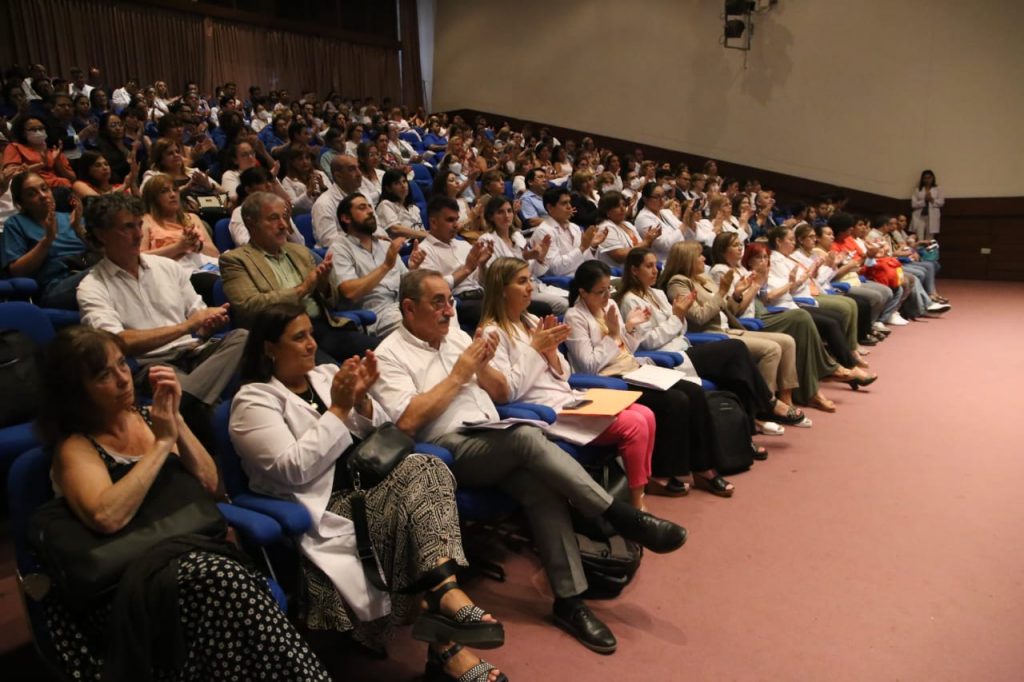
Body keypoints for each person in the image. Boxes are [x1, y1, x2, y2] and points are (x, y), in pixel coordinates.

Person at [371, 268, 686, 654]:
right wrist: (459, 374)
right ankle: (618, 516)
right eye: (438, 303)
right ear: (408, 307)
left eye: (450, 301)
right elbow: (407, 421)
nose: (449, 311)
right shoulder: (389, 354)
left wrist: (484, 367)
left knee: (540, 486)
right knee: (526, 437)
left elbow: (501, 392)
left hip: (491, 434)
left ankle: (570, 601)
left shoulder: (456, 338)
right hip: (447, 450)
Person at [229, 303, 507, 682]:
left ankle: (444, 593)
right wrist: (339, 409)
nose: (312, 344)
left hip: (369, 486)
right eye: (299, 337)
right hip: (326, 509)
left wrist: (361, 403)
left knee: (427, 466)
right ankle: (448, 633)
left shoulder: (326, 375)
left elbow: (381, 430)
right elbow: (292, 470)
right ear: (269, 348)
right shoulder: (253, 401)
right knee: (415, 510)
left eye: (311, 333)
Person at [36, 325, 329, 681]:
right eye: (103, 375)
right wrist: (162, 445)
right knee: (225, 583)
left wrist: (176, 420)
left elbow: (212, 485)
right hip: (130, 582)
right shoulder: (76, 448)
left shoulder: (150, 418)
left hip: (193, 561)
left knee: (227, 596)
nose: (123, 379)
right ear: (75, 392)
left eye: (122, 364)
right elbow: (107, 516)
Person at [479, 257, 656, 509]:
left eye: (530, 280)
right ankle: (637, 505)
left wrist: (551, 353)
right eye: (522, 281)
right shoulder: (492, 333)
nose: (530, 287)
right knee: (635, 424)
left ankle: (639, 494)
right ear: (502, 289)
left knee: (646, 414)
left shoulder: (532, 321)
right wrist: (535, 349)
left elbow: (564, 373)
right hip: (543, 409)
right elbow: (508, 391)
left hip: (567, 396)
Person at [564, 259, 739, 497]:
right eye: (600, 292)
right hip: (609, 379)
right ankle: (660, 473)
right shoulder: (574, 317)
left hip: (633, 368)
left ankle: (703, 468)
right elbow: (589, 365)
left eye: (608, 290)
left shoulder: (609, 306)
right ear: (583, 292)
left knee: (694, 392)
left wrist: (630, 328)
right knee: (674, 401)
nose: (606, 297)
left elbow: (628, 349)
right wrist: (614, 334)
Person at [77, 192, 246, 436]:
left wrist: (208, 324)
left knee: (242, 337)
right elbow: (117, 343)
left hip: (194, 352)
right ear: (102, 234)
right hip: (152, 364)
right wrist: (187, 326)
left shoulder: (167, 267)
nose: (138, 234)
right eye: (127, 227)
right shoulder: (92, 286)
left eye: (139, 224)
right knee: (200, 405)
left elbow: (198, 320)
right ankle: (197, 404)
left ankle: (186, 401)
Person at [616, 247, 783, 458]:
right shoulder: (630, 300)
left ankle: (744, 439)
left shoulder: (657, 293)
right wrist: (676, 317)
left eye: (655, 265)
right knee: (735, 349)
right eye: (648, 266)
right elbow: (648, 342)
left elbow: (681, 329)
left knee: (735, 375)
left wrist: (678, 317)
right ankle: (769, 404)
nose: (655, 270)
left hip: (684, 347)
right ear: (634, 270)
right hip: (667, 359)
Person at [658, 241, 809, 430]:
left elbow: (730, 310)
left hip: (728, 328)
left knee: (787, 341)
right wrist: (722, 291)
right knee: (771, 349)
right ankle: (764, 406)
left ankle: (785, 399)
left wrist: (737, 294)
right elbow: (698, 317)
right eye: (699, 256)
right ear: (687, 259)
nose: (704, 258)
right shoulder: (678, 282)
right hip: (710, 336)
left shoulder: (703, 279)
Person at [219, 192, 378, 360]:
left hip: (322, 328)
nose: (283, 225)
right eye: (273, 218)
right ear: (251, 223)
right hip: (283, 339)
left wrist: (323, 285)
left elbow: (334, 302)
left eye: (284, 217)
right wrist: (302, 289)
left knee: (383, 355)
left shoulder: (300, 251)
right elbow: (249, 308)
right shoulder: (236, 260)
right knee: (333, 371)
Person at [330, 192, 424, 336]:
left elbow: (406, 285)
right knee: (422, 323)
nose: (370, 211)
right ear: (346, 218)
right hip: (376, 315)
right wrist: (386, 266)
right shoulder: (339, 249)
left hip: (402, 305)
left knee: (443, 305)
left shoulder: (385, 245)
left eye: (370, 207)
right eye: (362, 208)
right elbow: (350, 292)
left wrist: (413, 268)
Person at [1, 172, 90, 309]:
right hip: (56, 286)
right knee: (108, 274)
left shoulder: (71, 218)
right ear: (21, 202)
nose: (43, 195)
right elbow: (17, 272)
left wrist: (78, 229)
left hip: (88, 270)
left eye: (44, 188)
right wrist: (47, 240)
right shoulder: (15, 224)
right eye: (32, 194)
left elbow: (102, 251)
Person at [477, 195, 567, 314]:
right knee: (563, 305)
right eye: (500, 212)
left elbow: (536, 272)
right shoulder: (487, 240)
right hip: (512, 293)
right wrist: (524, 257)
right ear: (490, 217)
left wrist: (540, 258)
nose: (506, 216)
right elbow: (495, 278)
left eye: (509, 211)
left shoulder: (517, 236)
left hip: (534, 285)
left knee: (574, 299)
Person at [418, 196, 494, 331]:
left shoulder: (464, 244)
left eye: (456, 220)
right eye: (449, 220)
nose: (456, 225)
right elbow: (433, 289)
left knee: (513, 300)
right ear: (433, 222)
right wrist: (466, 269)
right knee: (497, 313)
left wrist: (482, 265)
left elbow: (481, 282)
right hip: (458, 302)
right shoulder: (423, 251)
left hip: (481, 295)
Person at [228, 166, 304, 248]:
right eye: (262, 182)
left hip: (287, 253)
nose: (269, 185)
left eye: (270, 181)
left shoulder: (279, 209)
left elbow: (301, 244)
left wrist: (288, 224)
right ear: (248, 189)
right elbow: (244, 243)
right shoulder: (239, 212)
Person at [2, 115, 76, 190]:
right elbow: (11, 175)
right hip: (32, 189)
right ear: (23, 133)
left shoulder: (54, 151)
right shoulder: (15, 147)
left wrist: (57, 162)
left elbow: (72, 178)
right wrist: (40, 165)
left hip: (61, 187)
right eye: (33, 129)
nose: (38, 132)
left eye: (41, 128)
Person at [595, 191, 659, 266]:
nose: (623, 209)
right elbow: (619, 256)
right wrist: (645, 242)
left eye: (623, 204)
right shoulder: (605, 228)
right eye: (617, 206)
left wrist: (650, 240)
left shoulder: (628, 224)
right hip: (618, 271)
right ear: (606, 211)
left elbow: (642, 248)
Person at [311, 154, 363, 248]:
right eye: (352, 169)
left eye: (358, 168)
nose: (359, 173)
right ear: (338, 176)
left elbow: (376, 225)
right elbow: (328, 241)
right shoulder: (323, 204)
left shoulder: (363, 195)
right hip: (342, 252)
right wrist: (363, 240)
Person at [375, 167, 428, 240]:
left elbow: (422, 230)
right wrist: (424, 235)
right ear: (388, 188)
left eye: (404, 181)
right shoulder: (385, 205)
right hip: (403, 245)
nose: (403, 186)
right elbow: (395, 229)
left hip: (420, 242)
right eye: (397, 183)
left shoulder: (413, 207)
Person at [280, 145, 328, 215]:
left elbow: (332, 197)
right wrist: (308, 192)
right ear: (292, 162)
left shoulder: (320, 174)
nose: (305, 162)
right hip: (304, 216)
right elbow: (292, 206)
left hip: (324, 210)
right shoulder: (287, 181)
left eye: (307, 158)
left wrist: (322, 187)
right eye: (300, 159)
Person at [910, 169, 943, 240]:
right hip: (919, 217)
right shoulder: (918, 190)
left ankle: (928, 248)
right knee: (919, 237)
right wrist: (924, 201)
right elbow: (913, 204)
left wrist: (931, 199)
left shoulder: (937, 189)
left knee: (930, 238)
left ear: (933, 178)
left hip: (932, 217)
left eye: (929, 177)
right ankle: (920, 248)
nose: (927, 180)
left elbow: (941, 203)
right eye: (925, 178)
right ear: (922, 179)